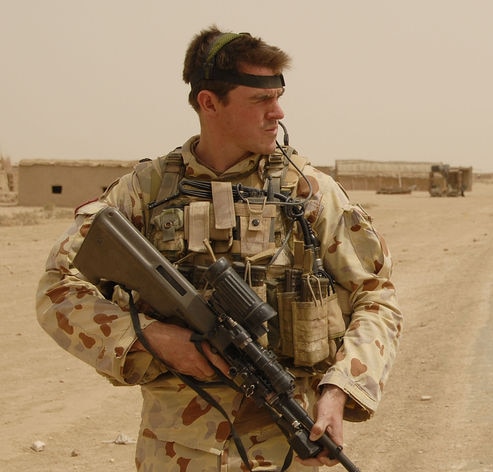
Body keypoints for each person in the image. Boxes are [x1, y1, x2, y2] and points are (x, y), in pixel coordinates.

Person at [35, 26, 402, 471]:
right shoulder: (144, 193)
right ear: (209, 103)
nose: (278, 112)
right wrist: (152, 338)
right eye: (260, 100)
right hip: (175, 453)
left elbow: (377, 297)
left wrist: (338, 390)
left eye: (279, 97)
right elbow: (58, 288)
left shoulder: (310, 194)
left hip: (285, 449)